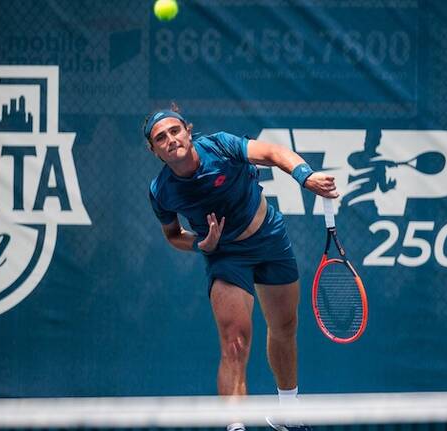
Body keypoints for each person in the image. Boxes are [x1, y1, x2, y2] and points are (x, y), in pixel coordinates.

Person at [144, 105, 338, 431]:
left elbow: (274, 153)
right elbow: (173, 235)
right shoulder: (161, 191)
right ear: (155, 150)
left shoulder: (220, 146)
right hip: (226, 256)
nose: (170, 139)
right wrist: (200, 245)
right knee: (234, 342)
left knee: (285, 326)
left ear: (188, 131)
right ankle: (235, 427)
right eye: (160, 138)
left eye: (174, 130)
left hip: (269, 238)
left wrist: (306, 177)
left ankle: (287, 413)